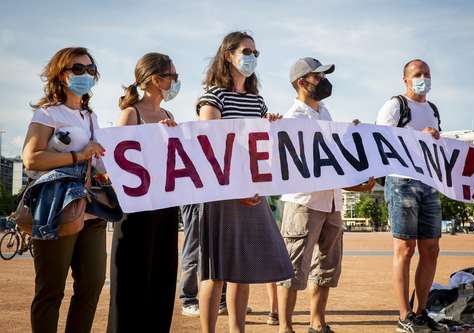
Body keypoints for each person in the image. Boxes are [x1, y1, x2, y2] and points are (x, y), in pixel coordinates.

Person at [196, 31, 294, 333]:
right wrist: (235, 187)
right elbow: (209, 145)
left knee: (243, 268)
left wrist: (272, 126)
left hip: (252, 192)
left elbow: (262, 148)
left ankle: (237, 330)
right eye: (247, 50)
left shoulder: (257, 101)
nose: (252, 57)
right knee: (216, 271)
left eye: (255, 52)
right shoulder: (213, 97)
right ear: (228, 55)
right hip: (223, 193)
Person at [277, 57, 376, 333]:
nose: (323, 81)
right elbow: (303, 167)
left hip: (332, 202)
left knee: (326, 267)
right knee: (293, 268)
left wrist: (352, 139)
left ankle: (317, 322)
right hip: (303, 202)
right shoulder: (292, 119)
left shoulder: (326, 114)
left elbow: (333, 162)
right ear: (301, 82)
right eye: (317, 77)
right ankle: (286, 327)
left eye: (322, 76)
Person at [22, 47, 106, 333]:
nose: (85, 75)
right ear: (61, 74)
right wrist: (78, 156)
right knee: (51, 290)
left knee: (92, 285)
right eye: (78, 69)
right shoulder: (48, 113)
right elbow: (31, 159)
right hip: (56, 208)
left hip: (91, 209)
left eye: (90, 70)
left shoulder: (91, 117)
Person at [107, 52, 179, 333]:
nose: (175, 82)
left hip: (165, 209)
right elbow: (117, 166)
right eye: (172, 76)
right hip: (136, 213)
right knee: (131, 285)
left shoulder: (169, 115)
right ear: (155, 79)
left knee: (161, 281)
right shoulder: (130, 114)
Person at [376, 59, 447, 333]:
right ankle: (404, 315)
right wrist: (419, 135)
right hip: (402, 182)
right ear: (405, 80)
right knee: (405, 249)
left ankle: (421, 312)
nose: (423, 78)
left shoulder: (432, 109)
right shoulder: (396, 105)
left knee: (431, 249)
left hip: (429, 183)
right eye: (417, 74)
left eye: (427, 74)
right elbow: (381, 140)